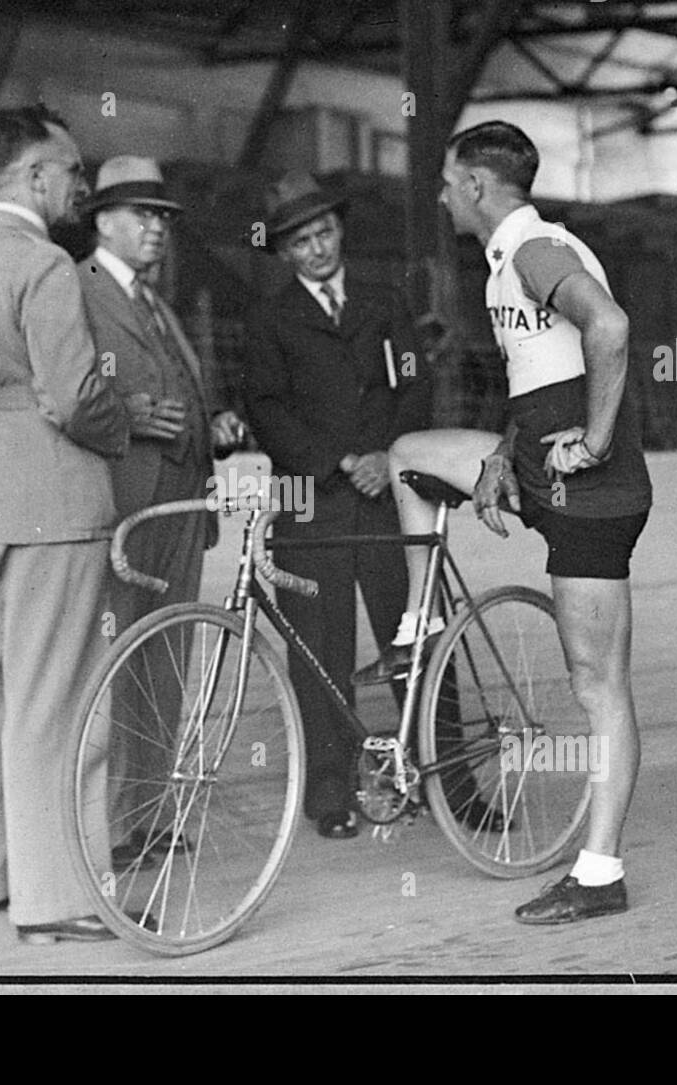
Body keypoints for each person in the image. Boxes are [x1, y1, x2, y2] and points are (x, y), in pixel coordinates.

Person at [365, 121, 652, 923]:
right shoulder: (503, 260)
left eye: (449, 180)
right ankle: (419, 624)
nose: (441, 193)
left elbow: (610, 326)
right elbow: (545, 372)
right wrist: (504, 454)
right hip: (535, 465)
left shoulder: (533, 250)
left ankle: (600, 873)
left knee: (598, 685)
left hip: (592, 495)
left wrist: (593, 443)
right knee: (410, 455)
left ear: (479, 188)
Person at [0, 104, 130, 945]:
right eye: (73, 172)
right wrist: (119, 431)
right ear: (36, 176)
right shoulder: (45, 269)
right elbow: (80, 396)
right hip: (54, 511)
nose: (80, 187)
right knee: (61, 702)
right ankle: (60, 898)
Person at [243, 173, 432, 840]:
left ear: (340, 232)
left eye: (324, 233)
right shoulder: (269, 319)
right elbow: (265, 407)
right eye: (301, 241)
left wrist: (390, 453)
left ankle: (451, 785)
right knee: (317, 651)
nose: (317, 248)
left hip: (387, 500)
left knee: (415, 636)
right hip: (312, 502)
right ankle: (330, 793)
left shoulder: (385, 302)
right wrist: (338, 461)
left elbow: (414, 382)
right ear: (285, 252)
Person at [77, 155, 245, 865]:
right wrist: (133, 414)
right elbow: (60, 390)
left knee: (165, 663)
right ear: (102, 221)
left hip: (179, 503)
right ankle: (109, 829)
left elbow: (181, 392)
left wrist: (218, 423)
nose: (156, 229)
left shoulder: (155, 302)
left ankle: (146, 816)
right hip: (123, 509)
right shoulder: (76, 291)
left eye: (163, 218)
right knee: (117, 665)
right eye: (142, 215)